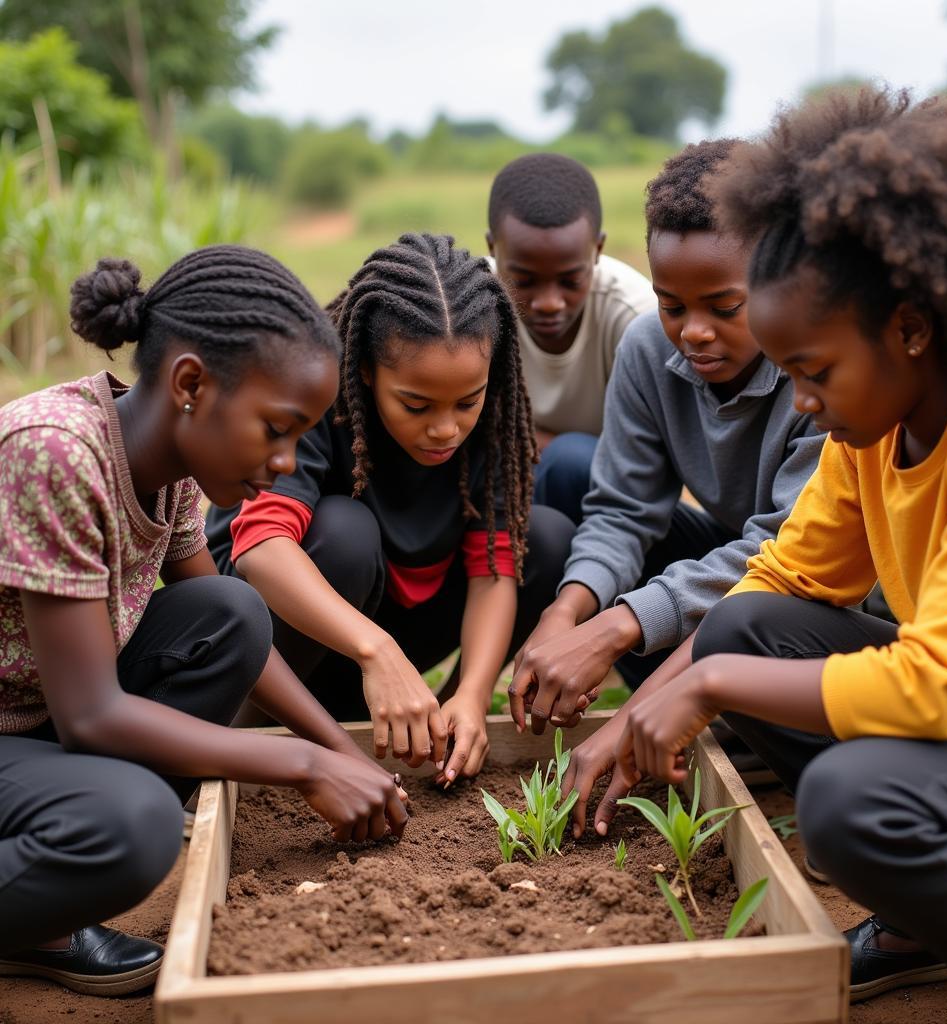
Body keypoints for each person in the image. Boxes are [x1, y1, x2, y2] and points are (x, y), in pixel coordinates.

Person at [615, 87, 947, 1024]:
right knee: (747, 625)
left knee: (850, 803)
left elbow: (937, 684)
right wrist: (649, 702)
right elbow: (781, 581)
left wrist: (707, 688)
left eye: (814, 371)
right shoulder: (873, 425)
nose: (800, 401)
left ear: (912, 328)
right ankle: (923, 926)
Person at [0, 247, 409, 995]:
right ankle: (42, 919)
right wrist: (307, 766)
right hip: (28, 726)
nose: (288, 461)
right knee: (135, 826)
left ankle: (46, 887)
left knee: (231, 612)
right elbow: (91, 717)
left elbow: (234, 632)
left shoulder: (169, 469)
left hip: (35, 721)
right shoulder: (54, 453)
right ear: (191, 383)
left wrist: (342, 750)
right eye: (276, 429)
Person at [509, 141, 824, 836]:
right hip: (753, 558)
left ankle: (697, 717)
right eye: (672, 304)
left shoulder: (820, 372)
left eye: (724, 305)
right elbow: (623, 511)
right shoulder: (650, 348)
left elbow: (788, 557)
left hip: (818, 590)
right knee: (570, 471)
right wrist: (567, 618)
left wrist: (619, 634)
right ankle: (692, 715)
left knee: (746, 618)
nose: (695, 333)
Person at [206, 233, 575, 786]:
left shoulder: (494, 413)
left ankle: (447, 727)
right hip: (281, 635)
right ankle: (252, 727)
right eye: (416, 405)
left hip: (398, 622)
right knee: (346, 533)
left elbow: (491, 567)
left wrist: (473, 695)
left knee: (543, 537)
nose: (446, 428)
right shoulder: (313, 393)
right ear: (366, 372)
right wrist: (376, 652)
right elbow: (261, 550)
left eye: (466, 402)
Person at [487, 152, 657, 523]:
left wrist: (520, 435)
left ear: (597, 250)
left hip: (607, 504)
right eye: (525, 280)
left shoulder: (634, 316)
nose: (549, 303)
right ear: (492, 250)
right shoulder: (467, 304)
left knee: (571, 459)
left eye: (569, 281)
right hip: (493, 489)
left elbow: (646, 464)